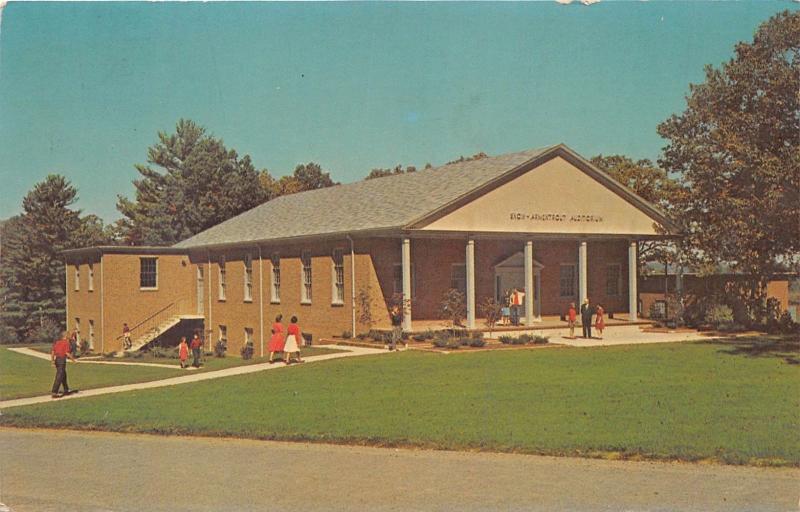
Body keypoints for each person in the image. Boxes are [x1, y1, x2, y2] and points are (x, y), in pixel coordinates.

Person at [51, 331, 78, 398]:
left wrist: (52, 361)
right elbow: (67, 353)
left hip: (57, 359)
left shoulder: (57, 342)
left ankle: (66, 390)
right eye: (68, 335)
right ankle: (54, 391)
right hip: (62, 360)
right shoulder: (66, 343)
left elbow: (53, 351)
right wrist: (73, 360)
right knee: (59, 376)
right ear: (65, 336)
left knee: (63, 375)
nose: (70, 336)